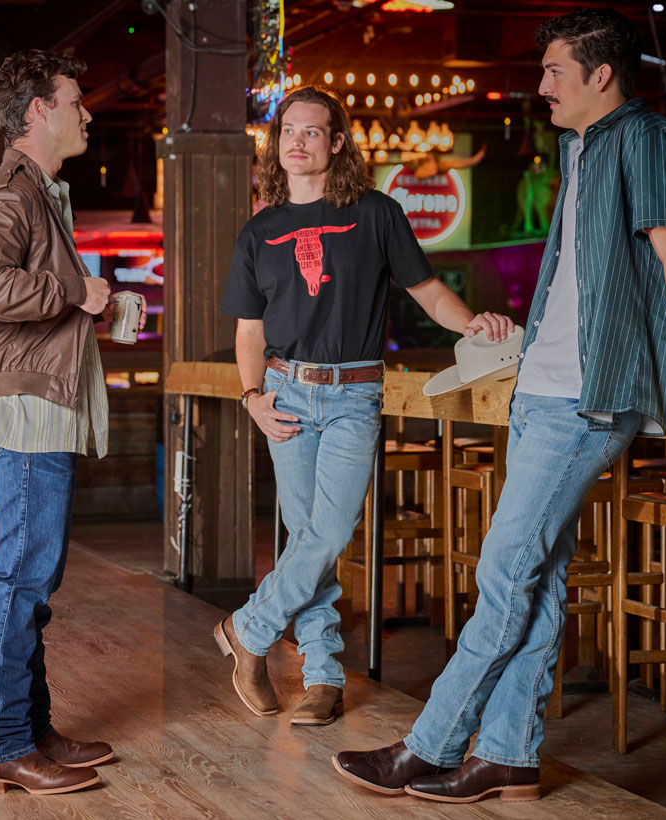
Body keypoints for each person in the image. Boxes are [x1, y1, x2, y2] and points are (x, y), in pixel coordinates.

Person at [334, 8, 666, 803]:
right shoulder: (582, 149)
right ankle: (509, 754)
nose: (539, 85)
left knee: (505, 575)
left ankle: (432, 745)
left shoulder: (647, 141)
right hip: (541, 393)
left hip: (586, 396)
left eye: (553, 71)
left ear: (601, 75)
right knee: (533, 581)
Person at [216, 85, 513, 727]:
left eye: (312, 131)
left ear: (337, 142)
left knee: (327, 533)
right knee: (308, 539)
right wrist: (252, 399)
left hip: (355, 393)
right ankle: (322, 676)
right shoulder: (258, 231)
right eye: (288, 131)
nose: (297, 141)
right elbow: (248, 330)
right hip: (285, 393)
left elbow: (429, 291)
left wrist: (473, 325)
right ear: (278, 144)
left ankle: (248, 629)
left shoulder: (376, 213)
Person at [0, 49, 145, 795]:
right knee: (19, 580)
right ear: (38, 110)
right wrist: (79, 291)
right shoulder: (8, 194)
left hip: (37, 405)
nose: (87, 111)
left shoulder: (39, 192)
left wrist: (94, 303)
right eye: (75, 99)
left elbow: (36, 293)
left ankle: (29, 730)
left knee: (32, 576)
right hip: (23, 410)